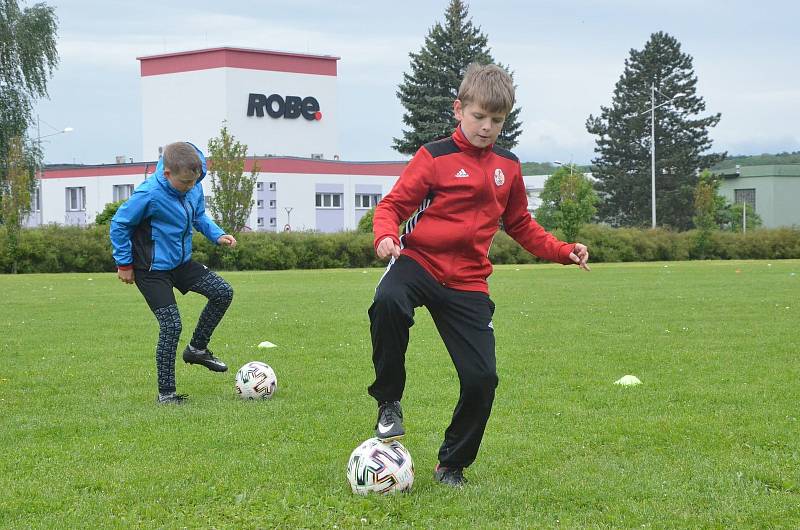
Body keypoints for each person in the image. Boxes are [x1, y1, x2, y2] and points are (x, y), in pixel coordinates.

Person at [368, 63, 590, 487]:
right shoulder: (433, 157)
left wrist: (564, 251)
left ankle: (451, 464)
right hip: (418, 263)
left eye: (497, 120)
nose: (487, 128)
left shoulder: (509, 166)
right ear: (459, 109)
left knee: (482, 378)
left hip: (469, 281)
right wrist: (385, 236)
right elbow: (392, 206)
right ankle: (388, 401)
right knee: (388, 302)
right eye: (479, 117)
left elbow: (521, 224)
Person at [110, 141, 237, 404]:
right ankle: (166, 394)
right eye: (185, 183)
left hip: (180, 263)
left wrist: (217, 234)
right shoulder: (149, 194)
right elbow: (119, 225)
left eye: (194, 181)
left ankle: (197, 349)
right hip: (151, 269)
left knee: (223, 292)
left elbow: (199, 216)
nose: (190, 187)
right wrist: (124, 264)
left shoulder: (194, 182)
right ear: (167, 173)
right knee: (171, 325)